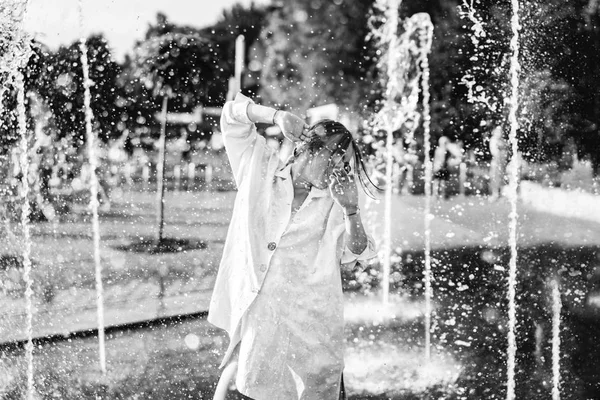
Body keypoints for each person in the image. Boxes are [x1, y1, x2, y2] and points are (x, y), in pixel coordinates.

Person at [208, 92, 378, 400]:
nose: (340, 167)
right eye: (334, 155)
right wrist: (275, 116)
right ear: (306, 147)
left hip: (314, 321)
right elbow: (231, 115)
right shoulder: (259, 169)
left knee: (317, 389)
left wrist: (352, 211)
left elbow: (358, 254)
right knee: (246, 380)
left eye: (345, 161)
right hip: (262, 314)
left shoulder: (337, 201)